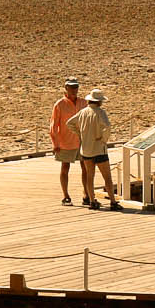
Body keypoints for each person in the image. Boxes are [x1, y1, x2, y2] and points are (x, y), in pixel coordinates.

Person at [67, 90, 121, 210]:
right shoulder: (100, 113)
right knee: (107, 177)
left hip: (86, 149)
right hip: (99, 148)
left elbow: (69, 123)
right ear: (99, 102)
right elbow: (107, 127)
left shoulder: (83, 112)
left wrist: (80, 134)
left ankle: (92, 201)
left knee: (89, 177)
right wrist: (103, 139)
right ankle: (113, 201)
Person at [50, 77, 83, 205]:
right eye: (72, 87)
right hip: (65, 141)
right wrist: (55, 143)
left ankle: (86, 193)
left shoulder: (83, 102)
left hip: (81, 141)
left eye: (76, 87)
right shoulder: (60, 104)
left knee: (85, 167)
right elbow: (54, 124)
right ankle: (66, 195)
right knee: (65, 167)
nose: (74, 90)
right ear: (66, 88)